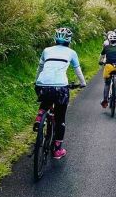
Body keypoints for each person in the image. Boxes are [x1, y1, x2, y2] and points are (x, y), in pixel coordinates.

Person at [34, 27, 86, 159]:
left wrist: (37, 81)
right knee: (60, 118)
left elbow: (40, 68)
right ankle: (57, 150)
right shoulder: (72, 52)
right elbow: (78, 70)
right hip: (60, 88)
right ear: (69, 40)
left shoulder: (46, 50)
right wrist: (83, 83)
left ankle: (40, 115)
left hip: (42, 85)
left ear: (55, 38)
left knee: (46, 98)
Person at [99, 31, 116, 108]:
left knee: (107, 83)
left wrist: (100, 61)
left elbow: (101, 56)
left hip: (109, 66)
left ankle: (105, 101)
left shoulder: (106, 47)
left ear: (109, 40)